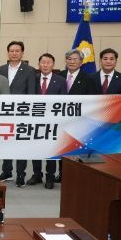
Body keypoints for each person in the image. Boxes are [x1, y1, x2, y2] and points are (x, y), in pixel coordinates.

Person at [0, 41, 36, 187]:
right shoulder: (1, 69)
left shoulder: (30, 70)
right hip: (5, 113)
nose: (14, 53)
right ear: (8, 52)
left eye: (17, 51)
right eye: (11, 51)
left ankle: (20, 174)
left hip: (21, 113)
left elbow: (31, 93)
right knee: (6, 143)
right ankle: (7, 171)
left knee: (20, 145)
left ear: (22, 53)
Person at [29, 53, 67, 190]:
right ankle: (37, 174)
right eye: (43, 62)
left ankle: (50, 176)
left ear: (53, 64)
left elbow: (64, 100)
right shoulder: (33, 78)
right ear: (38, 64)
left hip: (53, 121)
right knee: (36, 149)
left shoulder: (61, 80)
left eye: (48, 62)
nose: (45, 65)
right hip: (35, 119)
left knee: (51, 149)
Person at [56, 48, 92, 183]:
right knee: (62, 147)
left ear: (81, 62)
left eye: (75, 59)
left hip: (80, 120)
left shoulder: (88, 78)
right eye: (69, 59)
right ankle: (62, 174)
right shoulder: (59, 75)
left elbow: (92, 100)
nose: (72, 62)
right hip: (62, 120)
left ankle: (78, 174)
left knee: (78, 148)